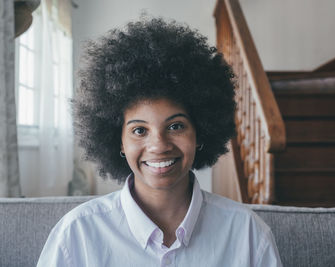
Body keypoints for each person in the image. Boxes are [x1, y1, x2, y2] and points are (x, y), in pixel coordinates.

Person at [37, 17, 282, 267]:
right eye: (139, 130)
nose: (159, 145)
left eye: (175, 126)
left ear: (200, 132)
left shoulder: (247, 232)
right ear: (118, 141)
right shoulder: (77, 233)